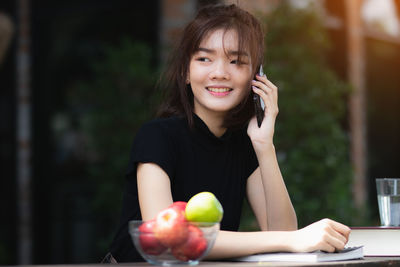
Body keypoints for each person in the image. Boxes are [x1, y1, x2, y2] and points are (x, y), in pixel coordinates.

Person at [108, 3, 350, 263]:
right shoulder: (157, 137)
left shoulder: (244, 144)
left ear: (255, 76)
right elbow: (171, 239)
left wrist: (264, 145)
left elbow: (283, 234)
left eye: (236, 61)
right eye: (204, 59)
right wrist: (292, 240)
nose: (220, 73)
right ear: (185, 72)